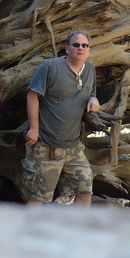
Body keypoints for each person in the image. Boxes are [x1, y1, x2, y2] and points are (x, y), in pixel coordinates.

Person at [22, 29, 100, 205]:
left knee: (85, 189)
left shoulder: (90, 70)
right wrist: (34, 129)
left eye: (85, 46)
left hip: (73, 147)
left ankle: (77, 231)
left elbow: (91, 91)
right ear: (67, 49)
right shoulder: (50, 67)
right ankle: (28, 231)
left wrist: (94, 99)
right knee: (37, 197)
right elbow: (32, 95)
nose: (81, 48)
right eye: (76, 45)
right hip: (46, 146)